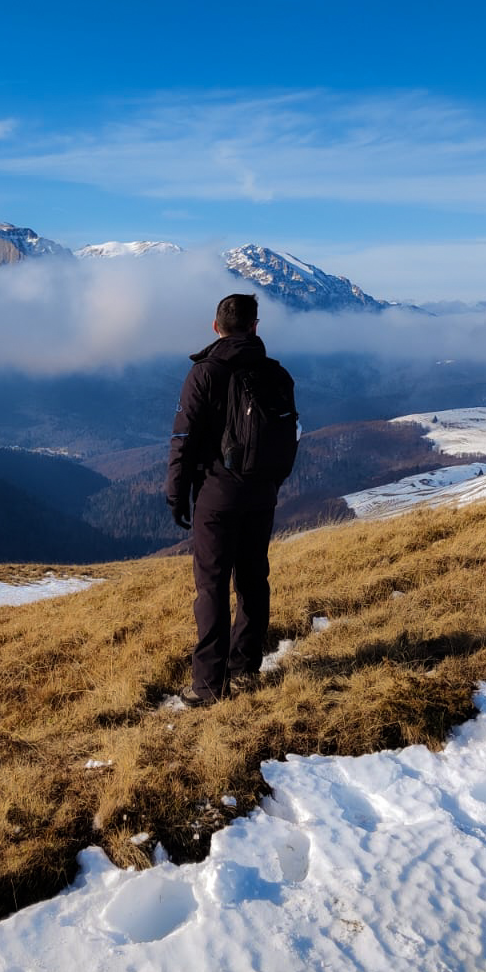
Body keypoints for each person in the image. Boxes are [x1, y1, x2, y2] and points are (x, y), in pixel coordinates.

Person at [165, 293, 298, 707]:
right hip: (261, 493)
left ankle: (207, 686)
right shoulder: (277, 374)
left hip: (216, 496)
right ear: (256, 327)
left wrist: (176, 492)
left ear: (215, 327)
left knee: (212, 587)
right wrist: (272, 483)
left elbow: (183, 438)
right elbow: (287, 438)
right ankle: (245, 668)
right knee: (254, 580)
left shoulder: (206, 373)